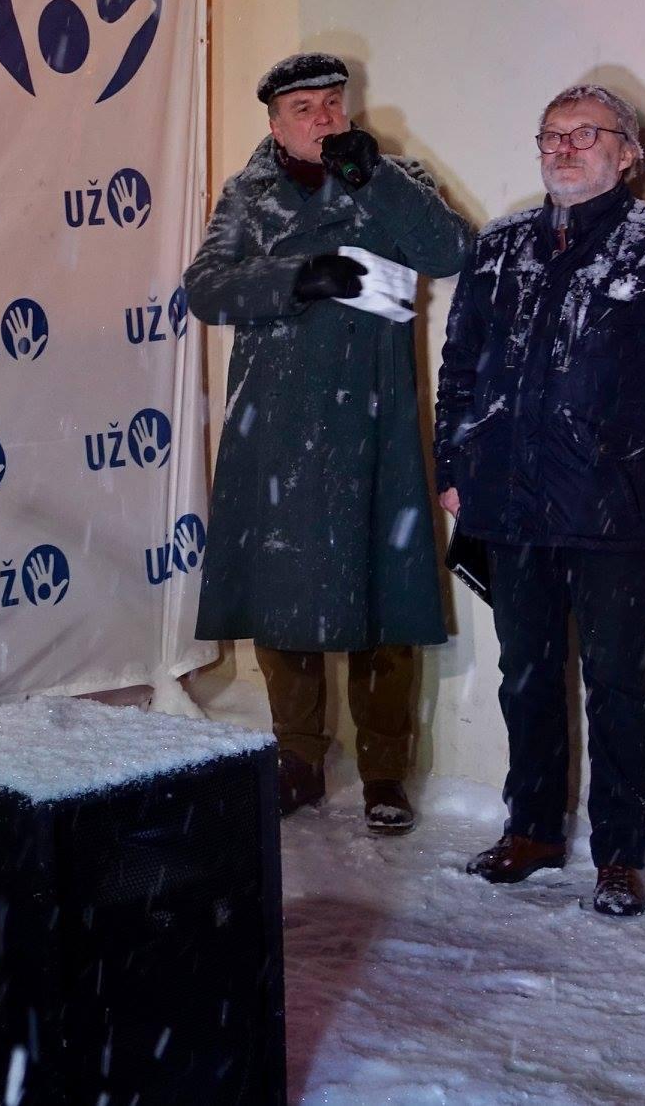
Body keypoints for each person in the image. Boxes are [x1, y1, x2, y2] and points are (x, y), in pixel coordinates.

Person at [435, 83, 645, 917]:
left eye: (584, 134)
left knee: (617, 684)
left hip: (619, 510)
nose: (562, 148)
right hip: (510, 503)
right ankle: (531, 830)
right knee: (525, 676)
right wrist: (452, 466)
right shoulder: (498, 248)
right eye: (550, 135)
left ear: (627, 153)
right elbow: (459, 369)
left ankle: (618, 854)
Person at [185, 52, 471, 834]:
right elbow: (203, 290)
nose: (323, 118)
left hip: (374, 422)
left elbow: (451, 252)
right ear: (274, 122)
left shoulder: (393, 176)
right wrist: (295, 280)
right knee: (283, 598)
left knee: (383, 598)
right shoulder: (246, 194)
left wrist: (373, 179)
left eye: (332, 102)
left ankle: (384, 771)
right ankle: (297, 759)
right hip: (275, 426)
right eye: (303, 107)